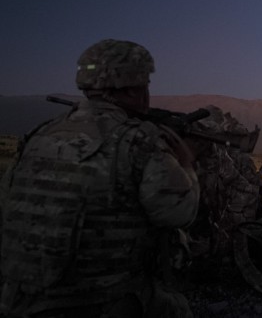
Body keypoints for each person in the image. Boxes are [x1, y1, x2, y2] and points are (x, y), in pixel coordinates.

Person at [0, 39, 199, 317]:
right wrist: (186, 163)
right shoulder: (139, 140)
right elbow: (180, 213)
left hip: (18, 300)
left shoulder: (39, 134)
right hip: (95, 301)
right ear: (133, 88)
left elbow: (8, 203)